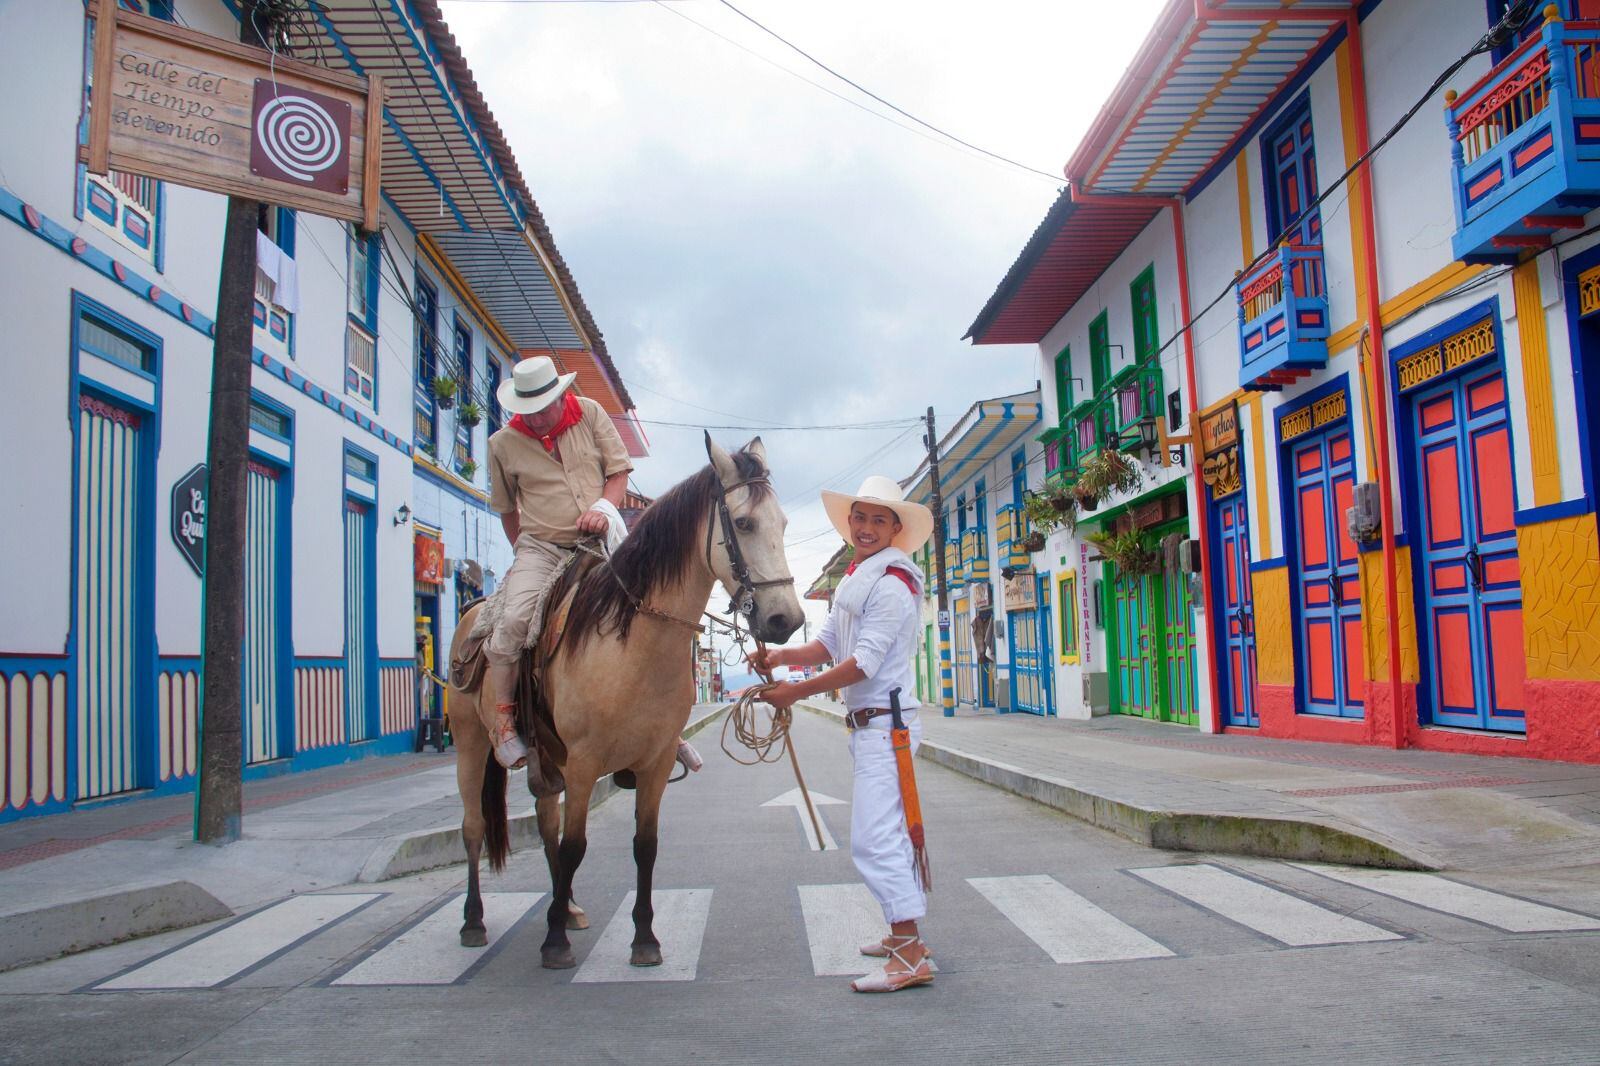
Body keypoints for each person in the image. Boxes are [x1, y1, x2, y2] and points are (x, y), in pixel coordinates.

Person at [751, 475, 934, 993]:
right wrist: (781, 656)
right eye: (861, 517)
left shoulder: (893, 584)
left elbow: (861, 664)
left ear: (897, 529)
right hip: (872, 726)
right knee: (890, 835)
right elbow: (829, 644)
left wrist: (795, 693)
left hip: (885, 726)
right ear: (850, 522)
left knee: (874, 841)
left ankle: (909, 951)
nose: (868, 527)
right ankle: (902, 934)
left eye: (880, 520)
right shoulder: (859, 577)